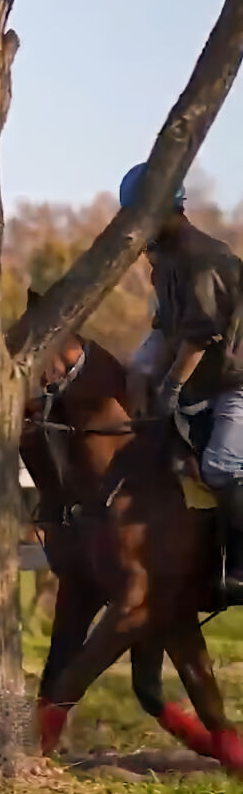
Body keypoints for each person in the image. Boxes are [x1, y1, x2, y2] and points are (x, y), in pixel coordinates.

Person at [120, 162, 243, 595]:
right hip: (204, 373)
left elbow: (200, 337)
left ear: (169, 210)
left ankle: (239, 569)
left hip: (234, 381)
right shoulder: (165, 258)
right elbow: (166, 323)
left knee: (221, 468)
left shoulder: (203, 258)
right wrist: (140, 372)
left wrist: (170, 386)